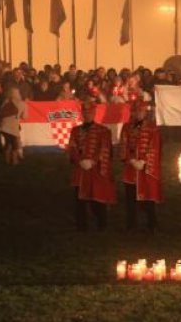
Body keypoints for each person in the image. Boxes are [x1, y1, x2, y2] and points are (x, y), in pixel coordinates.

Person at [67, 99, 116, 231]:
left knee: (97, 198)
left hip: (96, 170)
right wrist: (79, 161)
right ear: (82, 113)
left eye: (90, 112)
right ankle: (81, 226)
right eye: (85, 112)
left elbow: (105, 148)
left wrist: (93, 161)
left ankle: (102, 225)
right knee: (80, 200)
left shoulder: (103, 131)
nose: (88, 114)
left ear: (94, 113)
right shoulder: (75, 131)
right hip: (80, 170)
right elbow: (72, 148)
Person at [119, 100, 162, 232]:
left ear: (145, 113)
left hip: (146, 169)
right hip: (131, 169)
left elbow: (154, 146)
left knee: (149, 198)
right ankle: (131, 225)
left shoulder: (153, 128)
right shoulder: (126, 127)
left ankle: (152, 224)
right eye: (137, 111)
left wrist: (143, 161)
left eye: (142, 111)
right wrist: (131, 160)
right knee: (130, 199)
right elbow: (123, 145)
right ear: (133, 112)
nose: (139, 113)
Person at [0, 85, 26, 165]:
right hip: (13, 127)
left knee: (7, 143)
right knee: (15, 145)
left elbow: (0, 112)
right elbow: (24, 117)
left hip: (3, 126)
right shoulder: (22, 104)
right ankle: (14, 161)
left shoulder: (5, 101)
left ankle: (6, 161)